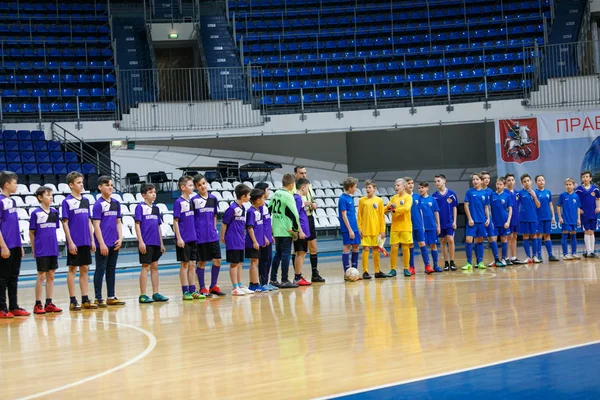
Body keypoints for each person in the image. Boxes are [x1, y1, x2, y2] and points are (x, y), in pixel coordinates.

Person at [61, 171, 97, 311]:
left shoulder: (86, 201)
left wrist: (92, 239)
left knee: (85, 269)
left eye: (82, 182)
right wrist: (70, 242)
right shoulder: (67, 201)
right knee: (72, 269)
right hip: (74, 241)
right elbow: (65, 223)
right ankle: (72, 300)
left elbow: (88, 221)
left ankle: (85, 299)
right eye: (78, 183)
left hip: (86, 240)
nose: (81, 185)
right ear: (71, 185)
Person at [93, 176, 126, 306]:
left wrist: (120, 237)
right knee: (100, 269)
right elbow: (96, 225)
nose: (110, 187)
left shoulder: (116, 203)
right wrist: (101, 243)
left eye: (111, 185)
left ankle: (111, 297)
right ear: (100, 187)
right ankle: (98, 298)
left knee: (111, 269)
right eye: (107, 185)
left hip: (114, 242)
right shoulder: (98, 204)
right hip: (103, 243)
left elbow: (118, 222)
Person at [0, 171, 29, 318]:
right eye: (14, 182)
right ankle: (1, 308)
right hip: (5, 245)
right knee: (3, 278)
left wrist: (20, 244)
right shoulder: (0, 201)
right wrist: (3, 246)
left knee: (13, 277)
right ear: (6, 184)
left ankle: (14, 306)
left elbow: (14, 225)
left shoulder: (13, 201)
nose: (16, 185)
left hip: (16, 245)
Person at [30, 186, 62, 314]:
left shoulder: (54, 212)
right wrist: (34, 249)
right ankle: (38, 304)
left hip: (52, 248)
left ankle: (49, 303)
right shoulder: (35, 213)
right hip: (41, 249)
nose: (51, 197)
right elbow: (31, 233)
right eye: (48, 195)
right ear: (40, 197)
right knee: (41, 275)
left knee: (52, 275)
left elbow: (54, 230)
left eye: (51, 195)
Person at [135, 183, 168, 304]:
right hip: (146, 242)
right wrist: (141, 241)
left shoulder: (156, 209)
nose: (153, 194)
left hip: (155, 242)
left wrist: (161, 243)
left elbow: (158, 226)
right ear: (143, 195)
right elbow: (137, 225)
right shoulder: (140, 207)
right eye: (150, 192)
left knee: (155, 267)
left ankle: (156, 293)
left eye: (154, 192)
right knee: (145, 267)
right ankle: (142, 294)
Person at [269, 174, 304, 289]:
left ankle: (273, 279)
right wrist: (295, 230)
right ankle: (284, 280)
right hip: (285, 229)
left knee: (277, 254)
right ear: (291, 185)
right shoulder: (288, 196)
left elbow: (269, 209)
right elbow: (295, 214)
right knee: (285, 255)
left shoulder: (275, 194)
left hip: (276, 228)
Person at [192, 174, 225, 297]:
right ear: (196, 187)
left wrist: (213, 228)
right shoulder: (194, 200)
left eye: (203, 183)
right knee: (202, 262)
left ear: (206, 183)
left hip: (212, 235)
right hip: (200, 237)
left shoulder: (213, 199)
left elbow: (214, 215)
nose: (202, 186)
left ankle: (213, 286)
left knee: (217, 260)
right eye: (199, 185)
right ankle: (202, 288)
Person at [174, 176, 203, 300]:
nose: (193, 187)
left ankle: (193, 289)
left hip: (193, 238)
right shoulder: (178, 202)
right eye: (191, 185)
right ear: (183, 187)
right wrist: (179, 238)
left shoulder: (191, 202)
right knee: (184, 264)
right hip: (183, 239)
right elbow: (175, 221)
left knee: (192, 264)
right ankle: (185, 291)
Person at [293, 166, 325, 283]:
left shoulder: (308, 185)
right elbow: (294, 206)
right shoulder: (293, 188)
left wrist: (313, 203)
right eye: (301, 173)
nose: (304, 175)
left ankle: (314, 273)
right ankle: (297, 275)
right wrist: (303, 203)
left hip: (309, 218)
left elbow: (312, 198)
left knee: (313, 247)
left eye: (305, 173)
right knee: (299, 250)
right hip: (300, 220)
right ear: (295, 174)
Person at [221, 184, 252, 295]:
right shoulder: (232, 208)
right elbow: (224, 224)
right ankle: (234, 287)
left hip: (240, 239)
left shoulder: (243, 208)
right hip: (232, 239)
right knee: (234, 263)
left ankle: (240, 284)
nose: (250, 197)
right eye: (248, 195)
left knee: (239, 263)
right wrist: (223, 236)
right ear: (243, 196)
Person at [357, 179, 387, 279]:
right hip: (365, 230)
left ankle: (377, 271)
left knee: (375, 249)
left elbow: (381, 216)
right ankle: (365, 271)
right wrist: (359, 228)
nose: (367, 189)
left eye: (369, 187)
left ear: (374, 189)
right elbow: (359, 216)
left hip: (376, 230)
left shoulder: (379, 201)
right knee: (366, 249)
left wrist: (383, 230)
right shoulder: (362, 200)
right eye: (366, 187)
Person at [385, 178, 413, 277]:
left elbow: (406, 208)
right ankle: (393, 269)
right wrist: (388, 208)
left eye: (398, 185)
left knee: (405, 248)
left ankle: (406, 268)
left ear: (404, 186)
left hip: (405, 226)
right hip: (395, 227)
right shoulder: (394, 198)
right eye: (395, 185)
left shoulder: (408, 197)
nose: (396, 187)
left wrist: (394, 210)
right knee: (394, 248)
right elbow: (386, 209)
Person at [462, 173, 489, 270]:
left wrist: (488, 218)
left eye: (477, 179)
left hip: (481, 220)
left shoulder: (485, 194)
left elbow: (486, 207)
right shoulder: (469, 192)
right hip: (472, 221)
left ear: (481, 181)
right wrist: (470, 218)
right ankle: (469, 262)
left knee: (480, 240)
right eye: (473, 179)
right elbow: (466, 206)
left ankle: (480, 261)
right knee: (469, 240)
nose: (475, 181)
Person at [405, 178, 431, 275]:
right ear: (404, 185)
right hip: (408, 226)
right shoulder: (403, 197)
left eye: (412, 183)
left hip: (418, 225)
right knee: (410, 245)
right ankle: (411, 267)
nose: (411, 185)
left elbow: (421, 211)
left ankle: (427, 266)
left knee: (422, 244)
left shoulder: (417, 197)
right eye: (408, 183)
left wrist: (423, 224)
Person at [432, 174, 458, 271]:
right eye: (435, 182)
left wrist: (454, 221)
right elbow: (435, 211)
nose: (436, 183)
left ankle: (452, 261)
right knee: (442, 241)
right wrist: (437, 224)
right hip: (440, 222)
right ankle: (446, 262)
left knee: (450, 240)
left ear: (444, 181)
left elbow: (455, 208)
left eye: (438, 181)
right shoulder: (434, 196)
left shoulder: (451, 194)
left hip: (449, 222)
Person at [255, 182, 277, 291]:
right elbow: (259, 224)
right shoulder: (257, 207)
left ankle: (266, 282)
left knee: (269, 259)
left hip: (268, 237)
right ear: (263, 192)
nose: (268, 192)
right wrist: (263, 236)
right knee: (263, 260)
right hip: (262, 238)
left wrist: (271, 235)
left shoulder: (266, 205)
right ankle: (262, 282)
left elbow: (268, 222)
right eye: (267, 190)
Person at [246, 188, 267, 292]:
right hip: (253, 242)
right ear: (258, 200)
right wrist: (254, 241)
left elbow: (260, 227)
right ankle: (254, 284)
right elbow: (250, 228)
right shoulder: (251, 211)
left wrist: (263, 238)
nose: (264, 200)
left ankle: (253, 283)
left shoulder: (258, 210)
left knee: (255, 262)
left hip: (258, 241)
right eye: (263, 198)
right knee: (254, 263)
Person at [417, 182, 442, 272]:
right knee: (424, 246)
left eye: (422, 187)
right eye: (419, 188)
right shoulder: (417, 200)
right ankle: (427, 266)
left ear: (427, 188)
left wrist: (438, 225)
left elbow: (436, 212)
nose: (420, 189)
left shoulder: (432, 199)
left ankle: (436, 265)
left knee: (433, 245)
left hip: (432, 226)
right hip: (422, 227)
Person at [338, 177, 361, 277]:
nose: (355, 189)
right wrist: (350, 230)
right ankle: (347, 273)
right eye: (355, 187)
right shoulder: (342, 198)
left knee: (356, 246)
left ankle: (354, 272)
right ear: (350, 187)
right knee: (347, 247)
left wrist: (357, 229)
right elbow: (344, 216)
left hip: (354, 227)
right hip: (348, 228)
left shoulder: (350, 197)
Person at [575, 171, 600, 258]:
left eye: (587, 177)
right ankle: (588, 251)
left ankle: (592, 251)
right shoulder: (578, 190)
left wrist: (598, 207)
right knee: (586, 231)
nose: (585, 178)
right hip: (584, 213)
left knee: (592, 231)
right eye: (583, 177)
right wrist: (579, 209)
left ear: (590, 178)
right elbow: (576, 201)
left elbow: (598, 198)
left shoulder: (595, 189)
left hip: (593, 212)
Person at [534, 175, 559, 262]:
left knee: (547, 235)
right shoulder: (535, 192)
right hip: (538, 217)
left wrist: (553, 216)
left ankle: (550, 255)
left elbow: (550, 204)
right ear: (536, 182)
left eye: (542, 180)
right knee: (539, 235)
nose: (541, 182)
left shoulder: (548, 192)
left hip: (547, 217)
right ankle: (539, 255)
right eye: (539, 180)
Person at [293, 179, 312, 286]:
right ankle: (297, 277)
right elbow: (296, 216)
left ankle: (298, 275)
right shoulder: (297, 199)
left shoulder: (298, 199)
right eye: (308, 188)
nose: (308, 190)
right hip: (301, 231)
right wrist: (299, 230)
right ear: (303, 187)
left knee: (302, 252)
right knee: (301, 253)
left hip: (304, 230)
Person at [518, 174, 541, 263]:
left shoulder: (536, 192)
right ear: (522, 183)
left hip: (533, 218)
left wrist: (534, 196)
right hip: (523, 219)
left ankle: (534, 256)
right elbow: (516, 206)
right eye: (524, 181)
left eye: (528, 181)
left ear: (531, 181)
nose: (527, 183)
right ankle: (528, 256)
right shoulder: (520, 193)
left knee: (534, 236)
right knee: (525, 236)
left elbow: (538, 205)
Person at [558, 178, 582, 260]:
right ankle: (565, 254)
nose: (568, 186)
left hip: (574, 219)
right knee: (565, 235)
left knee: (573, 235)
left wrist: (578, 219)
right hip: (566, 219)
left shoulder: (576, 196)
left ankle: (574, 253)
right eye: (567, 184)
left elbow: (578, 207)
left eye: (570, 184)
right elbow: (558, 206)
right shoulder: (562, 195)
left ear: (573, 185)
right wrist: (560, 217)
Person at [490, 178, 512, 267]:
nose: (498, 186)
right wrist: (490, 220)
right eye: (497, 184)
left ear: (504, 186)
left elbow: (510, 209)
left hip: (504, 221)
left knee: (504, 239)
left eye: (500, 184)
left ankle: (503, 258)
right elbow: (488, 208)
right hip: (494, 222)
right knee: (493, 239)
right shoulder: (492, 195)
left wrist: (508, 221)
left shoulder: (507, 196)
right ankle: (496, 259)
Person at [480, 171, 500, 267]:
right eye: (484, 178)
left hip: (489, 219)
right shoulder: (475, 191)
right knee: (478, 240)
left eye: (488, 178)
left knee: (492, 238)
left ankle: (496, 259)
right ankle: (479, 261)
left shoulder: (490, 192)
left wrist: (490, 219)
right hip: (479, 219)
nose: (487, 180)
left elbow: (490, 207)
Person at [504, 173, 524, 265]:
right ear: (505, 182)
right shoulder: (504, 193)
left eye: (512, 180)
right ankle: (506, 257)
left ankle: (514, 257)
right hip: (508, 218)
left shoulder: (517, 193)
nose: (511, 182)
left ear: (515, 181)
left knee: (515, 236)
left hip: (516, 217)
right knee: (509, 237)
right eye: (508, 180)